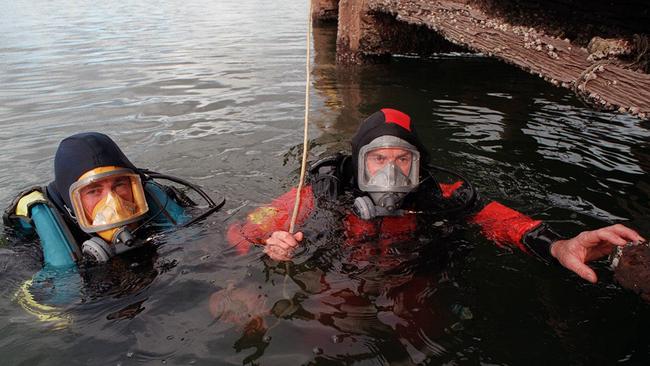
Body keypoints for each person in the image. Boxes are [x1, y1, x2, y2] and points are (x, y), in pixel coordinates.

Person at [227, 108, 645, 284]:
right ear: (356, 164)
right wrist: (270, 243)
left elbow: (508, 223)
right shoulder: (317, 194)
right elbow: (241, 232)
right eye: (378, 160)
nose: (391, 172)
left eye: (402, 160)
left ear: (419, 165)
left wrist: (558, 245)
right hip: (337, 285)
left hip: (413, 284)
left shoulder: (443, 197)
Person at [4, 132, 223, 310]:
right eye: (93, 190)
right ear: (72, 202)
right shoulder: (41, 237)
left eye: (120, 185)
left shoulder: (155, 206)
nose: (114, 203)